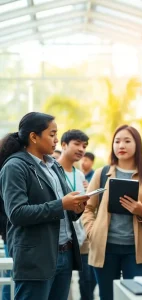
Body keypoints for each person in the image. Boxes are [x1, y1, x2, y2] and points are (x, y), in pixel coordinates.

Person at [0, 112, 90, 300]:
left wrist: (77, 207)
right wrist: (61, 204)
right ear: (33, 137)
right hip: (36, 257)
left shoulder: (53, 165)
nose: (57, 140)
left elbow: (65, 209)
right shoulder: (15, 167)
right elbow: (16, 213)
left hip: (64, 253)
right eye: (52, 134)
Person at [82, 124, 142, 300]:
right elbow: (87, 207)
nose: (121, 146)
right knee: (107, 296)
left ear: (137, 144)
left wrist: (141, 210)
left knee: (138, 296)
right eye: (117, 141)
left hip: (137, 250)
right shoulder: (102, 173)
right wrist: (92, 231)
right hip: (105, 248)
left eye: (127, 141)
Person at [58, 130, 97, 300]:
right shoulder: (51, 170)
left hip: (80, 235)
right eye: (77, 144)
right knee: (62, 287)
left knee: (88, 280)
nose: (81, 149)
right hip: (60, 237)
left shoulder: (79, 175)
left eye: (84, 146)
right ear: (64, 144)